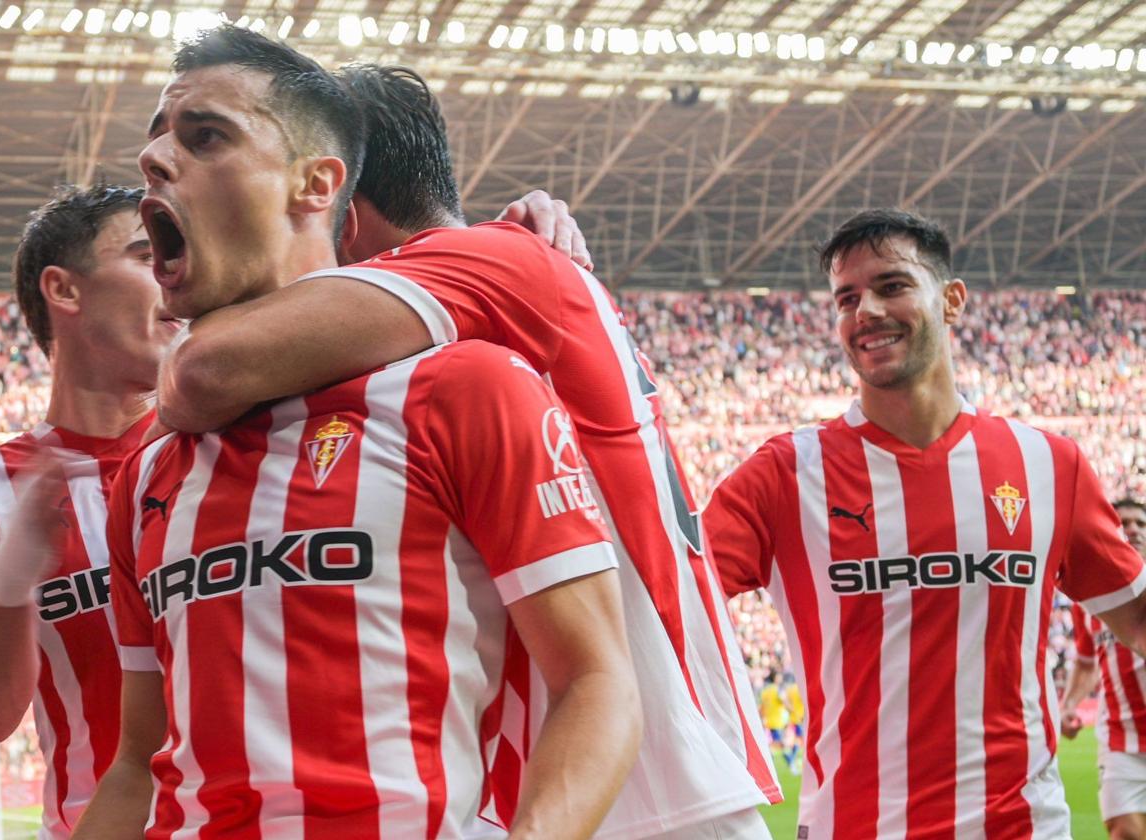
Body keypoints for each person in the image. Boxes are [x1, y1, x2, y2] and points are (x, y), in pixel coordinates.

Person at [152, 61, 779, 838]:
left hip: (652, 782)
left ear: (337, 206)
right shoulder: (501, 272)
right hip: (604, 771)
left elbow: (200, 374)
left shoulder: (492, 264)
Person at [74, 26, 640, 839]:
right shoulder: (149, 471)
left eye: (206, 136)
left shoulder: (464, 389)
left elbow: (596, 683)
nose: (156, 160)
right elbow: (138, 761)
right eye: (157, 139)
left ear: (317, 184)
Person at [702, 207, 1146, 839]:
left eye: (892, 286)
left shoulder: (1048, 465)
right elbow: (661, 600)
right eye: (846, 298)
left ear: (953, 300)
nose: (867, 313)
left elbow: (1137, 618)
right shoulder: (783, 475)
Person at [0, 184, 178, 839]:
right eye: (145, 253)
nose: (173, 270)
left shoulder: (229, 450)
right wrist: (14, 581)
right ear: (65, 291)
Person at [1061, 497, 1146, 840]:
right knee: (1125, 832)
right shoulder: (1091, 599)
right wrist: (1067, 705)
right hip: (1119, 739)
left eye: (1140, 523)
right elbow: (1085, 664)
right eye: (1123, 522)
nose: (1132, 529)